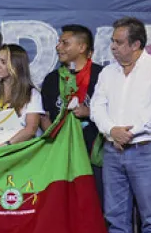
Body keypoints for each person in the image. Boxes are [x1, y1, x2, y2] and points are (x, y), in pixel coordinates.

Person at [90, 17, 151, 233]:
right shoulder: (108, 72)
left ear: (136, 45)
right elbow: (97, 106)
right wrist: (111, 130)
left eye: (118, 42)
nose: (113, 47)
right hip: (113, 152)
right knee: (115, 218)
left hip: (145, 151)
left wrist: (127, 133)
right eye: (112, 42)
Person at [39, 25, 104, 200]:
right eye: (59, 42)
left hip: (94, 155)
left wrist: (89, 112)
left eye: (65, 43)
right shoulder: (52, 79)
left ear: (82, 47)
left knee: (95, 203)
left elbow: (115, 112)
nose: (58, 47)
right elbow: (44, 116)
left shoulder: (103, 75)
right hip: (61, 155)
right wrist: (53, 141)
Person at [0, 45, 44, 148]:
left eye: (3, 62)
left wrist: (4, 146)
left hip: (20, 152)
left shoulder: (32, 94)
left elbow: (31, 129)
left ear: (16, 65)